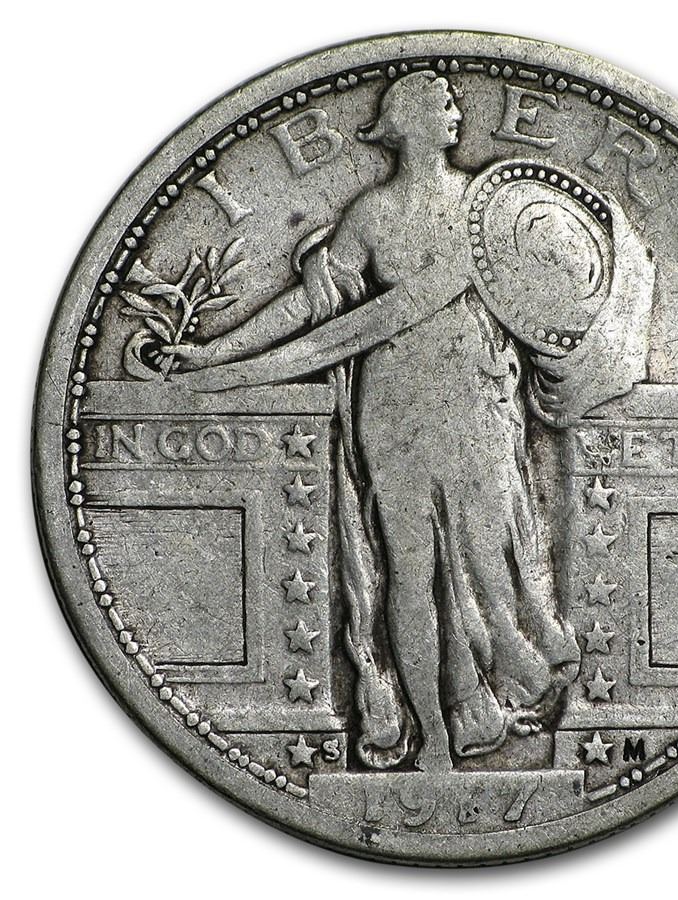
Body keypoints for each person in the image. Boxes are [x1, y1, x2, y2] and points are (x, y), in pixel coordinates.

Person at [166, 72, 594, 772]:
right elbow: (312, 309)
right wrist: (217, 352)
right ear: (407, 120)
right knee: (409, 569)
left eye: (453, 101)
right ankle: (432, 738)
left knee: (493, 561)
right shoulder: (370, 214)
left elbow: (556, 296)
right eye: (442, 102)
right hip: (393, 402)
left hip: (479, 399)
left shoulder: (492, 206)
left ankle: (488, 697)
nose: (456, 110)